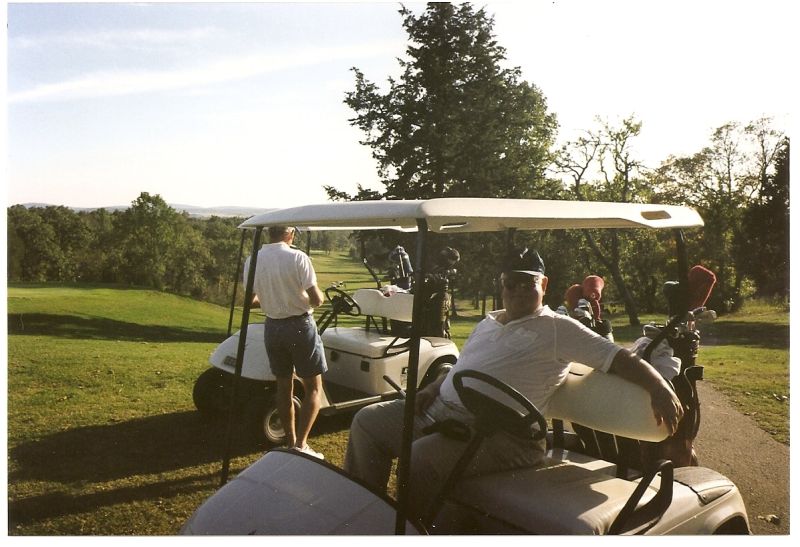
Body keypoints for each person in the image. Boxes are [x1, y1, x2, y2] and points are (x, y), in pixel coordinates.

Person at [343, 247, 683, 522]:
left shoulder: (558, 329)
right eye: (511, 283)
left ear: (544, 284)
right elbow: (461, 368)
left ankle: (410, 530)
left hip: (506, 437)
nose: (519, 290)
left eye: (528, 283)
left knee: (421, 459)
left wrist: (658, 386)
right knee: (366, 423)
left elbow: (620, 358)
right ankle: (366, 516)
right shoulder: (488, 322)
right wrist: (430, 389)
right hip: (442, 414)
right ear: (501, 285)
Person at [245, 225, 327, 459]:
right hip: (299, 326)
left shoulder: (253, 259)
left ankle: (290, 441)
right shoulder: (298, 256)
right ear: (289, 234)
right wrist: (295, 298)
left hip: (272, 327)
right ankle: (301, 445)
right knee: (313, 387)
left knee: (283, 386)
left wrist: (276, 299)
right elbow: (317, 299)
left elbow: (250, 300)